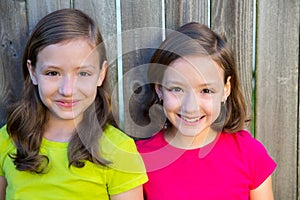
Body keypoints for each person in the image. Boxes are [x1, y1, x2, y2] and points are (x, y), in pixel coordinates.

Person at [0, 8, 147, 200]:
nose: (67, 90)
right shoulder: (8, 140)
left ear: (101, 74)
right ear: (33, 72)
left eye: (83, 73)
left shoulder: (118, 151)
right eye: (53, 73)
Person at [136, 22, 276, 200]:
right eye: (177, 89)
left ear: (226, 89)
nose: (191, 107)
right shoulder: (140, 159)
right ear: (159, 89)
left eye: (206, 91)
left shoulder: (250, 154)